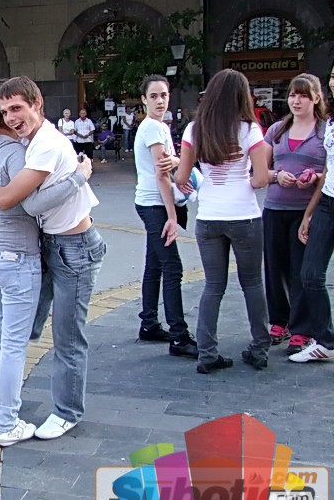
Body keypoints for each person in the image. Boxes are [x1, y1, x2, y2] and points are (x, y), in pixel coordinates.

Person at [0, 76, 105, 441]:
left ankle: (67, 411)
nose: (11, 118)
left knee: (64, 336)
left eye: (17, 108)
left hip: (73, 247)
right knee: (18, 332)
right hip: (46, 247)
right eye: (5, 111)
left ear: (37, 103)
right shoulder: (22, 141)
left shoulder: (40, 145)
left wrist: (79, 178)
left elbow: (25, 203)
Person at [175, 68, 270, 373]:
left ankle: (207, 353)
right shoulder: (250, 130)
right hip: (245, 216)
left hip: (209, 217)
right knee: (252, 283)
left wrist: (202, 181)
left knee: (213, 286)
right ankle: (259, 348)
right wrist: (246, 181)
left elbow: (181, 177)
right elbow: (260, 179)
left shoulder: (194, 130)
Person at [261, 74, 327, 355]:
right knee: (274, 267)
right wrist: (277, 175)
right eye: (292, 95)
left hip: (306, 210)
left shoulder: (324, 132)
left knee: (301, 270)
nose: (296, 101)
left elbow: (330, 174)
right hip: (274, 208)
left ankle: (302, 329)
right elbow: (259, 171)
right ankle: (279, 321)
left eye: (303, 95)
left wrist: (316, 176)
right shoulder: (277, 130)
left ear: (316, 98)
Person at [133, 75, 197, 358]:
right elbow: (162, 175)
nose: (160, 101)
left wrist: (177, 161)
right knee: (172, 268)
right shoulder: (153, 128)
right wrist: (172, 216)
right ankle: (179, 336)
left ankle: (149, 323)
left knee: (155, 265)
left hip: (150, 202)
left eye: (164, 95)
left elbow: (167, 167)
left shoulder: (156, 126)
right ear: (144, 100)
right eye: (154, 96)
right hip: (155, 205)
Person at [289, 64, 334, 363]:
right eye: (333, 76)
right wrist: (309, 213)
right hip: (328, 201)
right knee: (310, 274)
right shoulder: (330, 121)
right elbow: (328, 168)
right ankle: (325, 341)